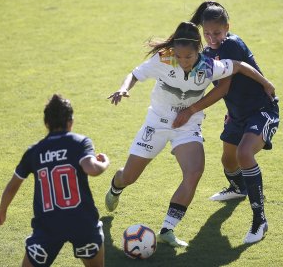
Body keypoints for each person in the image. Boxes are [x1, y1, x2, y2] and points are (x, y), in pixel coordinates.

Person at [105, 21, 274, 248]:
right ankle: (117, 186)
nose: (184, 62)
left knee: (194, 172)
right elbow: (135, 74)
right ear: (173, 50)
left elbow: (241, 66)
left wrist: (266, 83)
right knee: (130, 177)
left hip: (187, 127)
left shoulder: (209, 65)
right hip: (156, 123)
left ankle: (167, 228)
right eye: (180, 56)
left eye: (189, 57)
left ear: (198, 51)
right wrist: (124, 88)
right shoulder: (163, 59)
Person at [172, 1, 280, 244]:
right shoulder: (207, 54)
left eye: (217, 33)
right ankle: (239, 187)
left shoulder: (231, 44)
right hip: (237, 115)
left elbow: (224, 87)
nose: (212, 38)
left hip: (262, 110)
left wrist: (191, 110)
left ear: (227, 28)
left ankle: (259, 219)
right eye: (207, 33)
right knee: (228, 160)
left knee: (244, 154)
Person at [0, 94, 110, 267]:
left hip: (48, 226)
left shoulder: (34, 151)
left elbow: (13, 185)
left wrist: (1, 211)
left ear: (46, 123)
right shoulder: (80, 143)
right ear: (71, 121)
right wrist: (105, 163)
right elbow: (92, 169)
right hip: (82, 223)